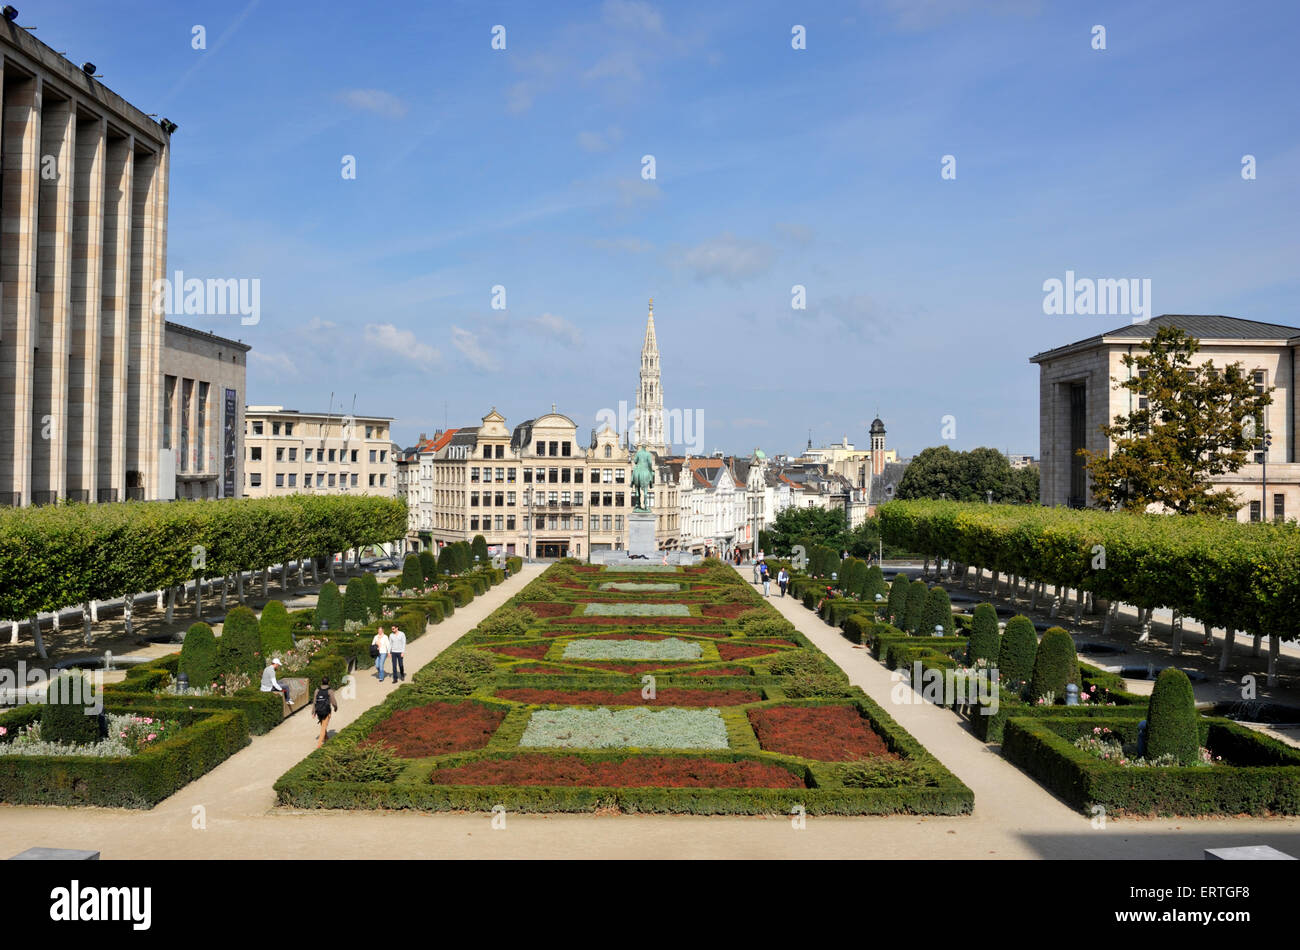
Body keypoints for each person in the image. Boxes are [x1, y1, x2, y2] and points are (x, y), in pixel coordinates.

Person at [312, 676, 338, 748]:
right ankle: (319, 744)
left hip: (318, 711)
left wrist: (313, 712)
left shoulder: (317, 690)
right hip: (326, 711)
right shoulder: (330, 690)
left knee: (323, 725)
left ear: (321, 682)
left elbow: (314, 701)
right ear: (329, 682)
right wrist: (335, 707)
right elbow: (333, 701)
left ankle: (326, 738)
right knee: (323, 727)